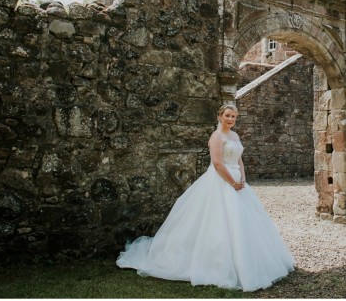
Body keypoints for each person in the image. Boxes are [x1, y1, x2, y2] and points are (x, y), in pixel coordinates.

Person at [116, 104, 295, 291]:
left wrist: (242, 177)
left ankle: (252, 261)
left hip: (238, 182)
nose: (231, 119)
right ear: (220, 116)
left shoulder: (235, 136)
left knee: (246, 223)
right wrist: (232, 183)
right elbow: (217, 164)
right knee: (217, 222)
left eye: (234, 116)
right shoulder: (216, 137)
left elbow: (240, 160)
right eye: (227, 115)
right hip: (220, 182)